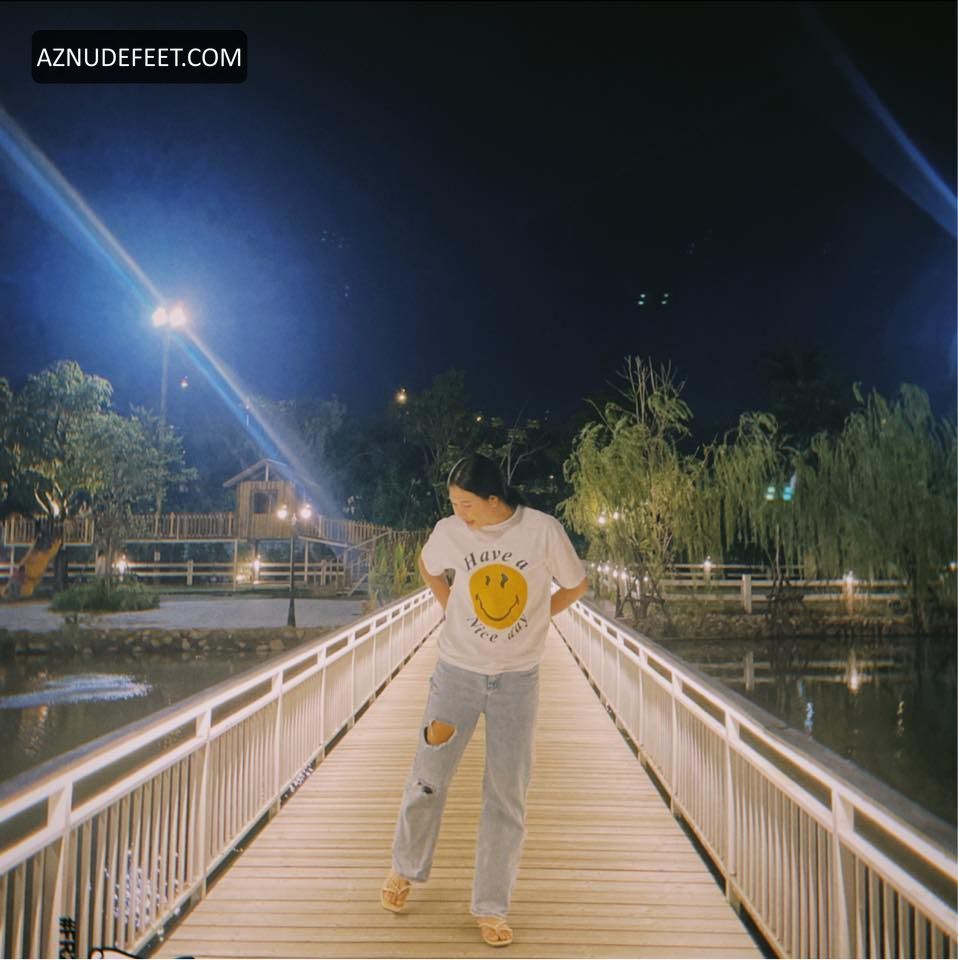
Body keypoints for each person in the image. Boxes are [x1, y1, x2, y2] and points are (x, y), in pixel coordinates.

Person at [380, 453, 588, 947]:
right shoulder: (450, 531)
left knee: (506, 794)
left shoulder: (541, 530)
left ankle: (491, 906)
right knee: (427, 777)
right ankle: (404, 868)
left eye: (467, 504)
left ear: (495, 499)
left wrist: (539, 617)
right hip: (456, 676)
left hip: (517, 682)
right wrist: (449, 605)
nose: (460, 513)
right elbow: (429, 566)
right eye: (454, 503)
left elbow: (576, 584)